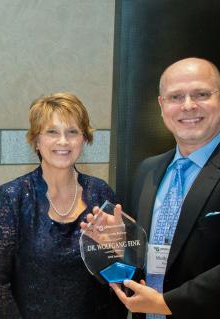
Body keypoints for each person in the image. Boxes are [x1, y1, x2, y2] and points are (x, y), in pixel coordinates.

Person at [0, 93, 125, 318]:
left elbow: (119, 279)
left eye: (72, 132)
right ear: (36, 140)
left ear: (84, 139)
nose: (63, 141)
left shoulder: (101, 194)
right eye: (52, 132)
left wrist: (119, 253)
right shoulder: (14, 197)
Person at [108, 57, 220, 319]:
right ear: (161, 105)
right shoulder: (148, 170)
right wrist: (117, 246)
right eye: (175, 97)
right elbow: (142, 256)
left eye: (201, 94)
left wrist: (168, 304)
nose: (188, 106)